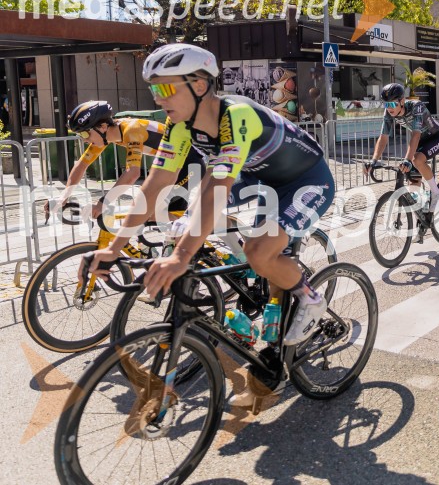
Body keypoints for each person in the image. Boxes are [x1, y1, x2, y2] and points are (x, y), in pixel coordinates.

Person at [85, 43, 335, 404]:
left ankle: (309, 298)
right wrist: (112, 249)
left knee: (259, 251)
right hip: (257, 180)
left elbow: (218, 187)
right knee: (183, 219)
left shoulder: (236, 115)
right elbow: (155, 185)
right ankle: (251, 294)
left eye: (167, 88)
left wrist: (181, 256)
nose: (159, 99)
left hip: (304, 179)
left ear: (200, 85)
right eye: (155, 89)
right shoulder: (178, 126)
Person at [56, 101, 203, 219]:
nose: (84, 140)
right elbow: (81, 166)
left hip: (191, 166)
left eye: (84, 134)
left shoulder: (131, 130)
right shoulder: (105, 137)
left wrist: (103, 203)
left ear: (102, 126)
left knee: (146, 212)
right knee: (156, 215)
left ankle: (205, 228)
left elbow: (132, 173)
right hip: (174, 168)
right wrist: (63, 197)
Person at [364, 83, 439, 213]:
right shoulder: (389, 113)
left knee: (416, 160)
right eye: (386, 104)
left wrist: (407, 159)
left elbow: (416, 135)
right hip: (418, 142)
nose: (389, 108)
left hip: (434, 138)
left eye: (392, 104)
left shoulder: (416, 107)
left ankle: (436, 192)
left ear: (402, 101)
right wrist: (374, 161)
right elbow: (383, 137)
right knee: (413, 183)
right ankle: (421, 220)